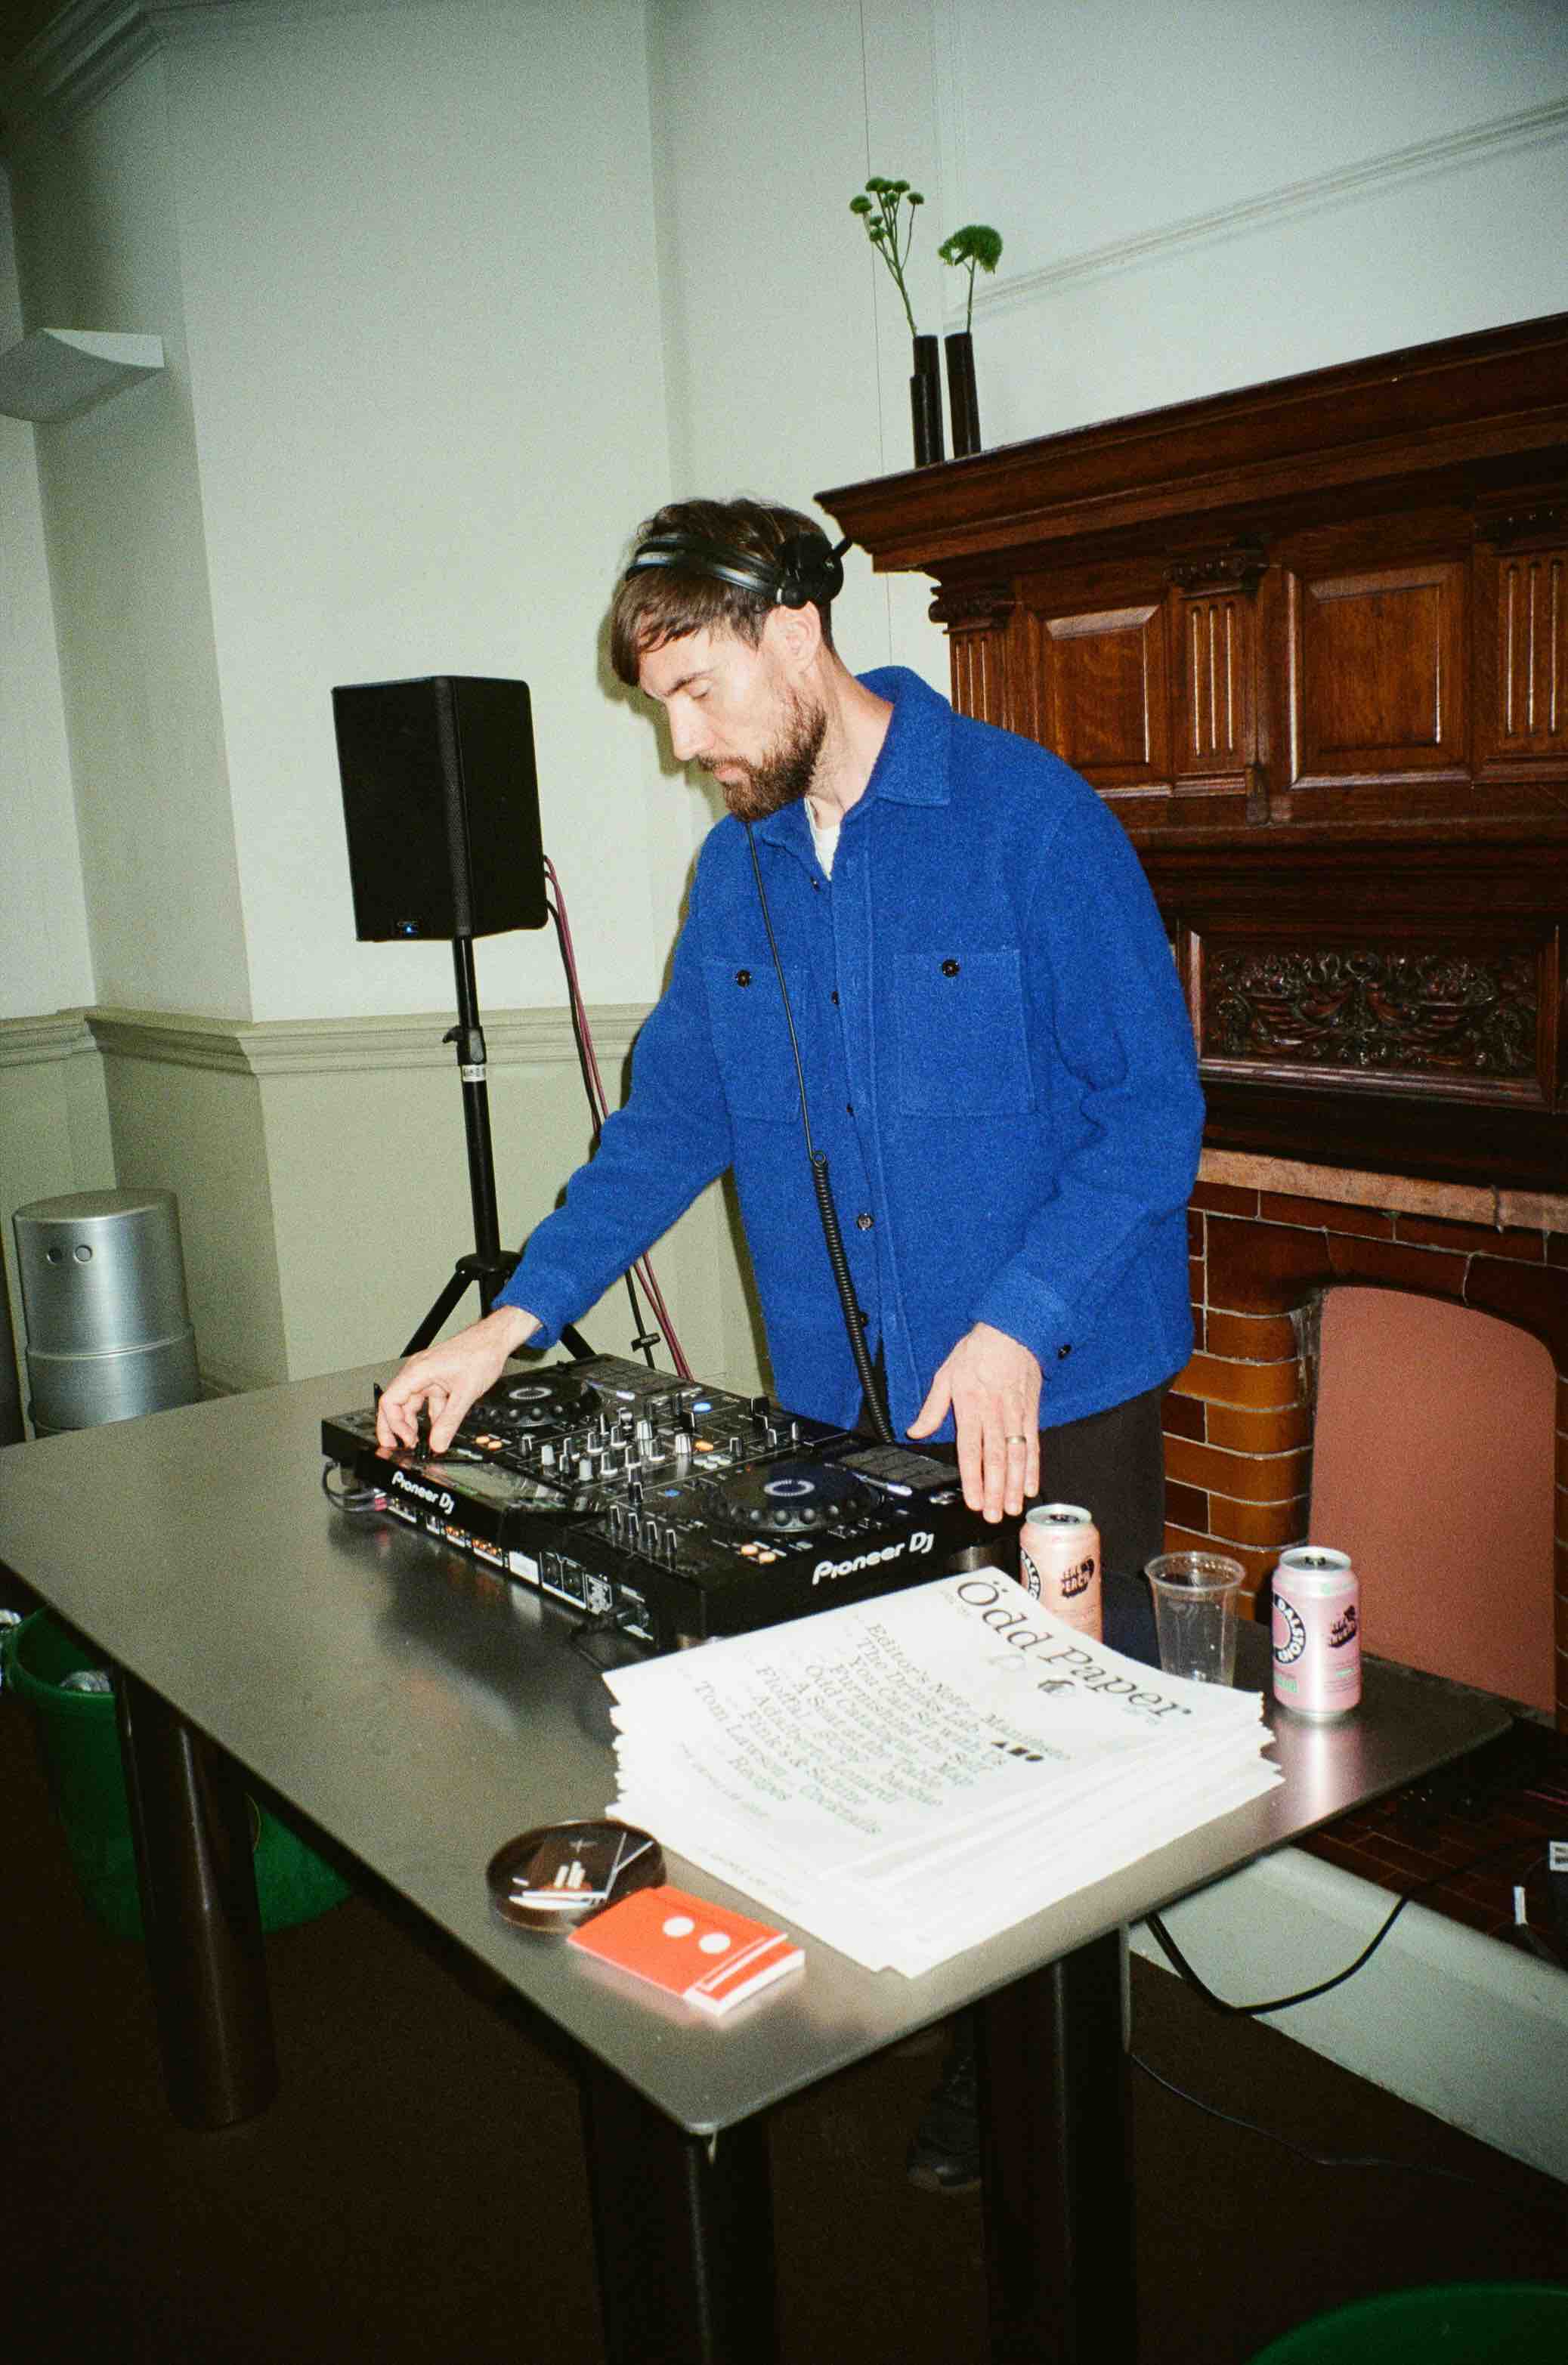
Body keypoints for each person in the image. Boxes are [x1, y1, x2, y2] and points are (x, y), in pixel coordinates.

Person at [376, 495, 1205, 2187]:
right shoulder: (736, 874)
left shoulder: (1031, 820)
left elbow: (1153, 1113)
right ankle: (957, 2017)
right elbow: (667, 1123)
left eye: (697, 691)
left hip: (1057, 1395)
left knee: (1062, 1763)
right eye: (661, 706)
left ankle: (1051, 2066)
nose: (682, 744)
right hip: (853, 1419)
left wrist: (1017, 1322)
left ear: (794, 627)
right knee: (919, 1748)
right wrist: (511, 1322)